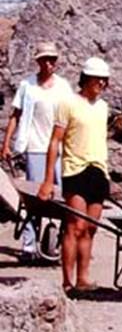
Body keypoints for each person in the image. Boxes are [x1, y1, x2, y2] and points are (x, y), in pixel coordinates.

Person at [37, 57, 112, 295]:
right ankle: (67, 282)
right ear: (85, 79)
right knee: (74, 226)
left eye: (104, 80)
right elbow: (55, 141)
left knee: (90, 228)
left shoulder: (103, 107)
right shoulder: (68, 103)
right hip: (75, 170)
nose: (100, 83)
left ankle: (83, 279)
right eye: (96, 79)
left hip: (99, 171)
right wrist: (48, 180)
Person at [1, 41, 73, 262]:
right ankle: (29, 246)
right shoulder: (28, 86)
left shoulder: (63, 87)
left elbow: (72, 116)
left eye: (53, 59)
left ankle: (57, 242)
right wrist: (6, 143)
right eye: (45, 59)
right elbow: (16, 115)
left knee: (60, 198)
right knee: (34, 198)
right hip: (35, 147)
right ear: (39, 61)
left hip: (59, 149)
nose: (49, 63)